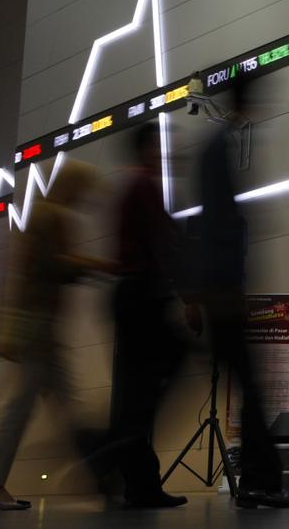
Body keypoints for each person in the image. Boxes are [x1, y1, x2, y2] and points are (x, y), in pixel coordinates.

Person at [196, 87, 289, 509]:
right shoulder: (217, 149)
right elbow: (219, 224)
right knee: (251, 387)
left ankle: (257, 482)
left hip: (222, 289)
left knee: (250, 388)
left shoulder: (215, 148)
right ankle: (263, 482)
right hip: (224, 291)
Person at [0, 160, 110, 511]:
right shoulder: (52, 215)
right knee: (24, 404)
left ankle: (100, 478)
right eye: (83, 189)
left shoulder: (42, 213)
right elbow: (54, 264)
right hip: (38, 326)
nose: (85, 198)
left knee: (55, 405)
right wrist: (96, 266)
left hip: (37, 326)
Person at [109, 122, 188, 508]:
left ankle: (138, 483)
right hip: (143, 296)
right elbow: (164, 244)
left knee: (133, 388)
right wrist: (187, 295)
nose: (164, 155)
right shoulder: (144, 187)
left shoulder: (132, 188)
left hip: (129, 295)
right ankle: (127, 451)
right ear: (145, 150)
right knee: (167, 365)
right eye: (158, 148)